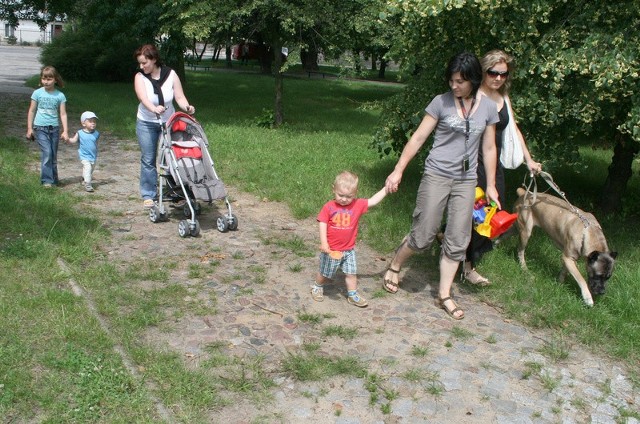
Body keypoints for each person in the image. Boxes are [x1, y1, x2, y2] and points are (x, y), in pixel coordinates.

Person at [381, 52, 501, 320]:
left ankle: (444, 294)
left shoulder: (488, 108)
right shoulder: (441, 103)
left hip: (466, 180)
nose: (453, 86)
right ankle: (395, 265)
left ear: (472, 80)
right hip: (437, 174)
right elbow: (418, 138)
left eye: (460, 81)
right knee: (424, 234)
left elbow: (490, 147)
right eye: (451, 80)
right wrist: (398, 170)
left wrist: (491, 185)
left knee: (458, 238)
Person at [462, 49, 543, 286]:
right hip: (471, 162)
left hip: (492, 163)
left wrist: (529, 160)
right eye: (493, 73)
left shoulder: (503, 97)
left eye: (503, 74)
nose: (498, 78)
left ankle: (448, 237)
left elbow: (514, 130)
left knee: (493, 211)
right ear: (483, 71)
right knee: (477, 215)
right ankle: (467, 267)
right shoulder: (474, 95)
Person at [312, 171, 388, 308]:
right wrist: (324, 243)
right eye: (340, 195)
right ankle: (317, 286)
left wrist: (386, 188)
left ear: (355, 193)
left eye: (349, 196)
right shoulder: (329, 207)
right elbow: (322, 223)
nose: (344, 199)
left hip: (349, 250)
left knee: (351, 273)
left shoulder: (357, 205)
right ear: (333, 189)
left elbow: (374, 200)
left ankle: (352, 295)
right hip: (331, 250)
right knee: (325, 273)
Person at [134, 43, 196, 209]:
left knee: (171, 157)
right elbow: (143, 98)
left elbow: (180, 97)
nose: (141, 66)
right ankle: (148, 194)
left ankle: (175, 193)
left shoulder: (171, 74)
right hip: (146, 122)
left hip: (168, 123)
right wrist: (154, 108)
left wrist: (187, 107)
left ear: (153, 60)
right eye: (140, 63)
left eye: (144, 63)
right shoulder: (139, 77)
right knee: (148, 158)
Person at [26, 66, 68, 187]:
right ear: (41, 79)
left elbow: (63, 114)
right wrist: (30, 128)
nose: (46, 81)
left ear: (55, 79)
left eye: (49, 79)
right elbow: (32, 111)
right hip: (40, 128)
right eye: (44, 78)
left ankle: (54, 180)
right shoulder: (37, 93)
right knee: (47, 152)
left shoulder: (60, 96)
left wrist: (65, 131)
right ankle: (46, 181)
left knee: (53, 156)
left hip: (54, 128)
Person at [68, 111, 100, 192]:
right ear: (83, 123)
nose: (93, 123)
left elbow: (95, 143)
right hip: (84, 156)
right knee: (88, 168)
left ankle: (84, 178)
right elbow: (74, 140)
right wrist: (68, 139)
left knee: (91, 169)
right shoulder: (80, 133)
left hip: (93, 156)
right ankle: (88, 184)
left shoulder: (96, 133)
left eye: (94, 121)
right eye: (90, 121)